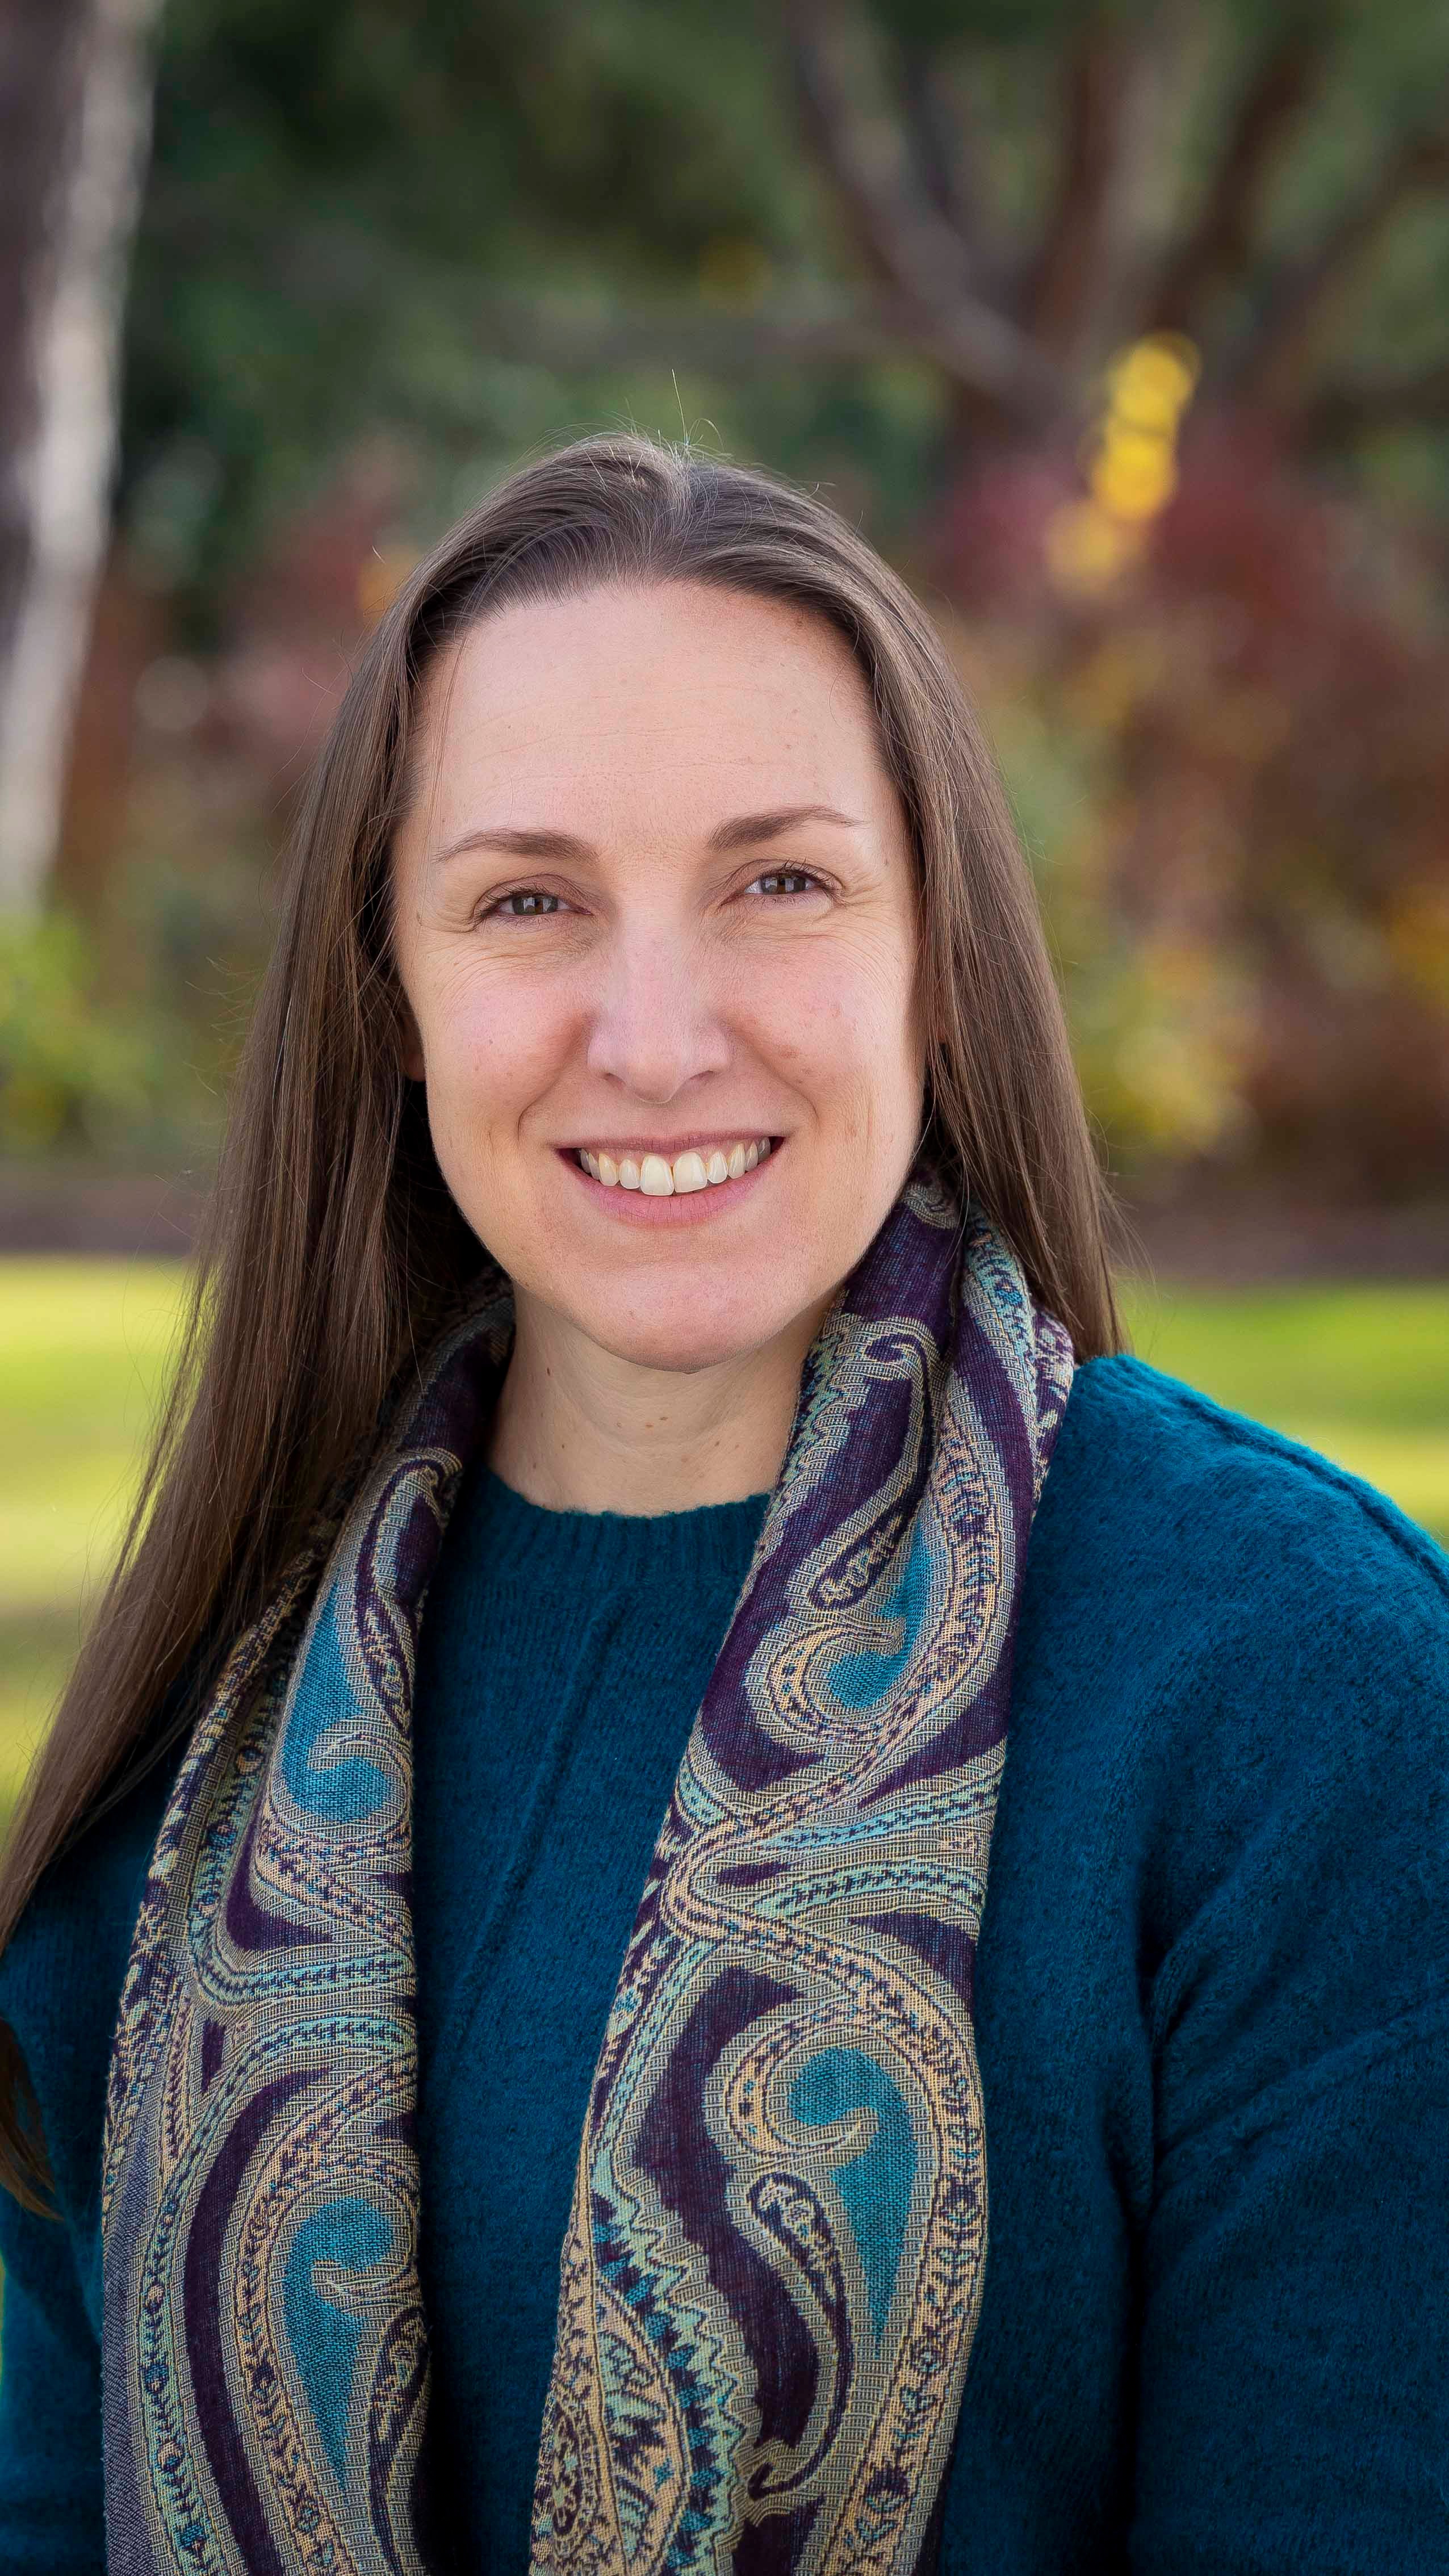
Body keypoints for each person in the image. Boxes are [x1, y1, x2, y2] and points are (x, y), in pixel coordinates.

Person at [0, 434, 1446, 2576]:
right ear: (388, 991)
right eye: (528, 901)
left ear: (932, 949)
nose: (656, 1036)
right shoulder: (206, 1765)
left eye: (779, 881)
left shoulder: (1296, 1695)